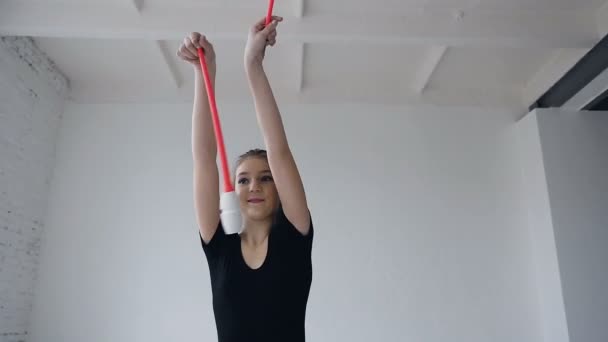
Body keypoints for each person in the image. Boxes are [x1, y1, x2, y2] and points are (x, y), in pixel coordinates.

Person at [177, 15, 314, 342]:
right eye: (242, 180)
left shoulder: (294, 235)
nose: (253, 185)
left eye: (266, 179)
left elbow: (278, 150)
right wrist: (203, 73)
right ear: (233, 190)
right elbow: (203, 161)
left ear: (279, 189)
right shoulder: (219, 244)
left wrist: (253, 64)